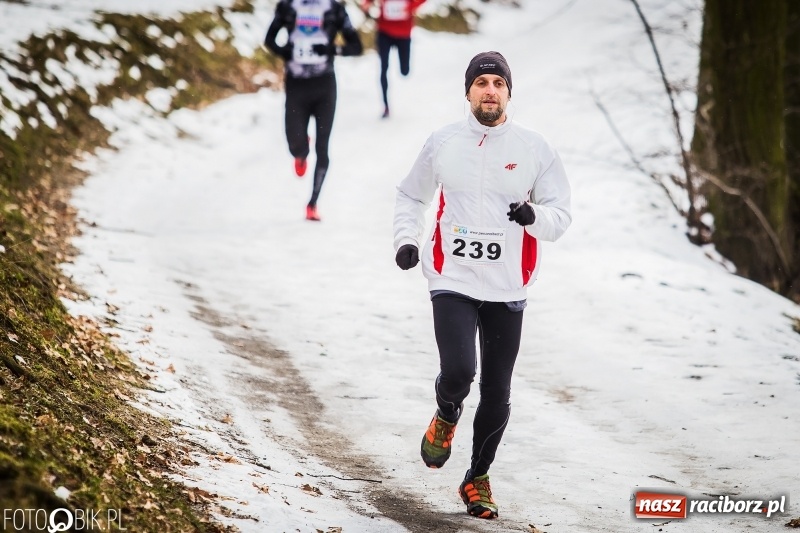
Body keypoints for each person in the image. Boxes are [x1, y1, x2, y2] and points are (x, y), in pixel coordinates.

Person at [392, 51, 572, 519]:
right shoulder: (443, 142)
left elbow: (561, 214)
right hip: (451, 276)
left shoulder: (534, 148)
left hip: (507, 286)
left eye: (497, 83)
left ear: (509, 92)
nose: (489, 90)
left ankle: (476, 478)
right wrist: (406, 240)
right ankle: (447, 412)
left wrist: (535, 217)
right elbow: (411, 193)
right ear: (468, 91)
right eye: (481, 83)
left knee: (496, 391)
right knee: (458, 373)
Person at [265, 0, 363, 221]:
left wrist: (332, 49)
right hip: (296, 85)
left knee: (323, 146)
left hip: (324, 86)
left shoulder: (335, 9)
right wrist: (284, 52)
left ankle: (312, 203)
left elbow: (356, 46)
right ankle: (300, 152)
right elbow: (269, 39)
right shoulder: (288, 6)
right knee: (295, 144)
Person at [361, 0, 427, 118]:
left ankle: (403, 70)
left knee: (405, 71)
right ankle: (385, 106)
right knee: (383, 67)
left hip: (403, 34)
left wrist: (410, 6)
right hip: (384, 32)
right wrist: (366, 4)